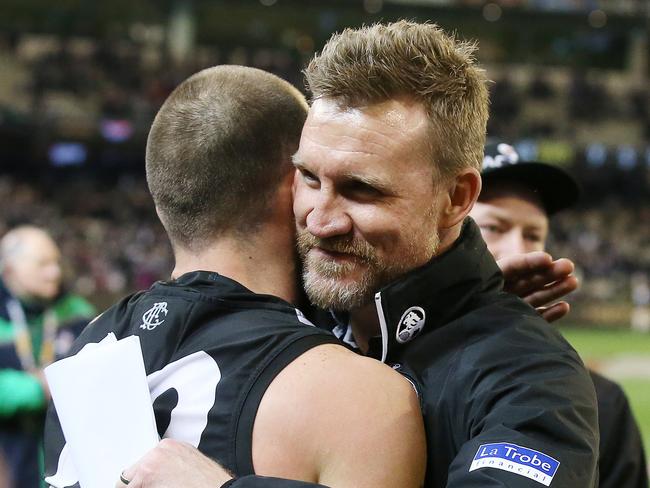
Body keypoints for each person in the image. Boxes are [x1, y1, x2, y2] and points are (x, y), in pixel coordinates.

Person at [118, 21, 599, 488]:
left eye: (361, 190)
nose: (320, 221)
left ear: (455, 199)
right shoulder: (292, 313)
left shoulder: (531, 378)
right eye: (309, 178)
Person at [44, 65, 427, 488]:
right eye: (314, 177)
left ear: (162, 205)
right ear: (295, 187)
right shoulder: (362, 398)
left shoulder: (85, 351)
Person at [472, 141, 649, 488]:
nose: (519, 251)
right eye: (493, 228)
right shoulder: (393, 368)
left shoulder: (599, 403)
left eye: (534, 234)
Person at [0, 226, 95, 488]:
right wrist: (37, 388)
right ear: (10, 269)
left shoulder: (77, 312)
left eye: (55, 262)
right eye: (42, 264)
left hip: (68, 460)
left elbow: (95, 373)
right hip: (12, 458)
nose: (54, 272)